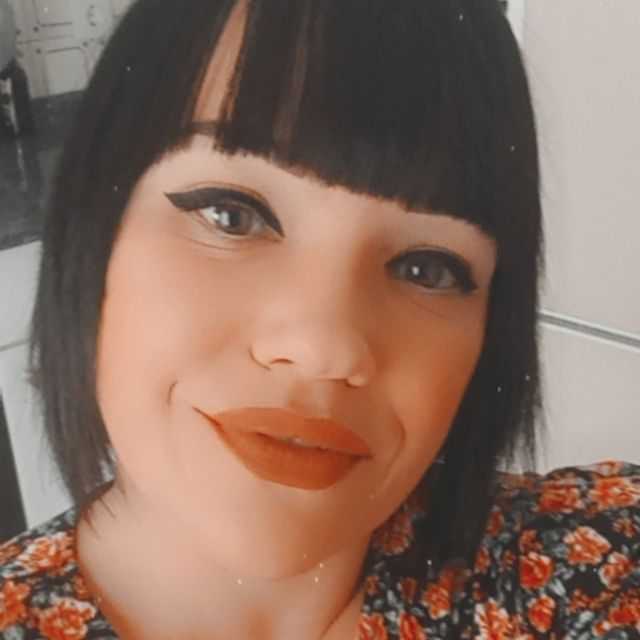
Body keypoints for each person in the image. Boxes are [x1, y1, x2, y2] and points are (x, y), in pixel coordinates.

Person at [1, 0, 638, 638]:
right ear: (94, 229)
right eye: (231, 214)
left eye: (426, 268)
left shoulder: (595, 575)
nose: (324, 347)